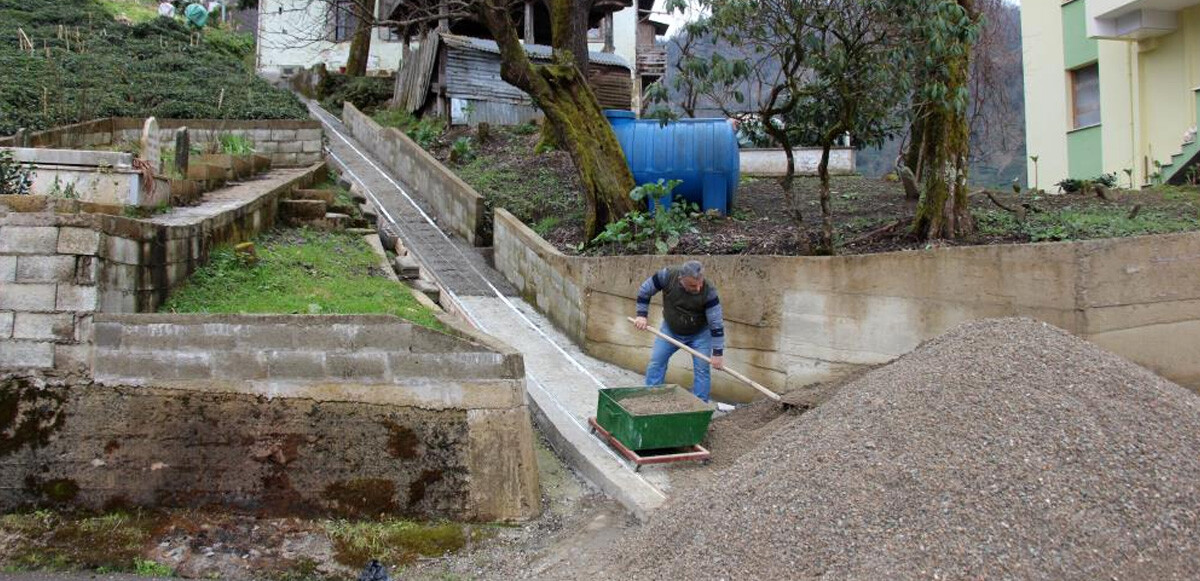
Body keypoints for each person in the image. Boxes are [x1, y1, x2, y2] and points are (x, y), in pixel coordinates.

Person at [633, 260, 725, 403]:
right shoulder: (667, 276)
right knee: (656, 362)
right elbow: (645, 290)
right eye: (693, 285)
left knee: (702, 371)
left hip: (699, 334)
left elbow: (716, 323)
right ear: (681, 279)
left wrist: (718, 354)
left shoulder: (709, 291)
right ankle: (651, 398)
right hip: (670, 330)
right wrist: (641, 315)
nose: (699, 288)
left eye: (700, 282)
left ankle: (699, 406)